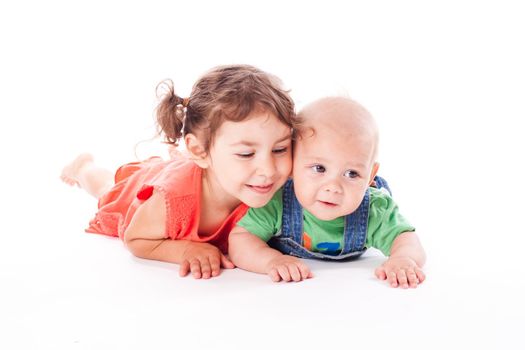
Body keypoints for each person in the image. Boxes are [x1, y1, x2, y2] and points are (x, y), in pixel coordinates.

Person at [60, 64, 298, 279]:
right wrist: (186, 249)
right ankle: (83, 167)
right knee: (106, 188)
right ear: (200, 151)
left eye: (280, 149)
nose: (268, 169)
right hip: (142, 189)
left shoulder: (275, 183)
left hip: (188, 169)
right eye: (246, 154)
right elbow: (136, 239)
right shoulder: (171, 201)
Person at [229, 96, 426, 288]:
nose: (333, 187)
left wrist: (403, 258)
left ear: (370, 176)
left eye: (351, 173)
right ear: (292, 165)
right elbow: (241, 239)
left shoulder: (374, 210)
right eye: (319, 169)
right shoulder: (279, 202)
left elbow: (406, 238)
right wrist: (271, 260)